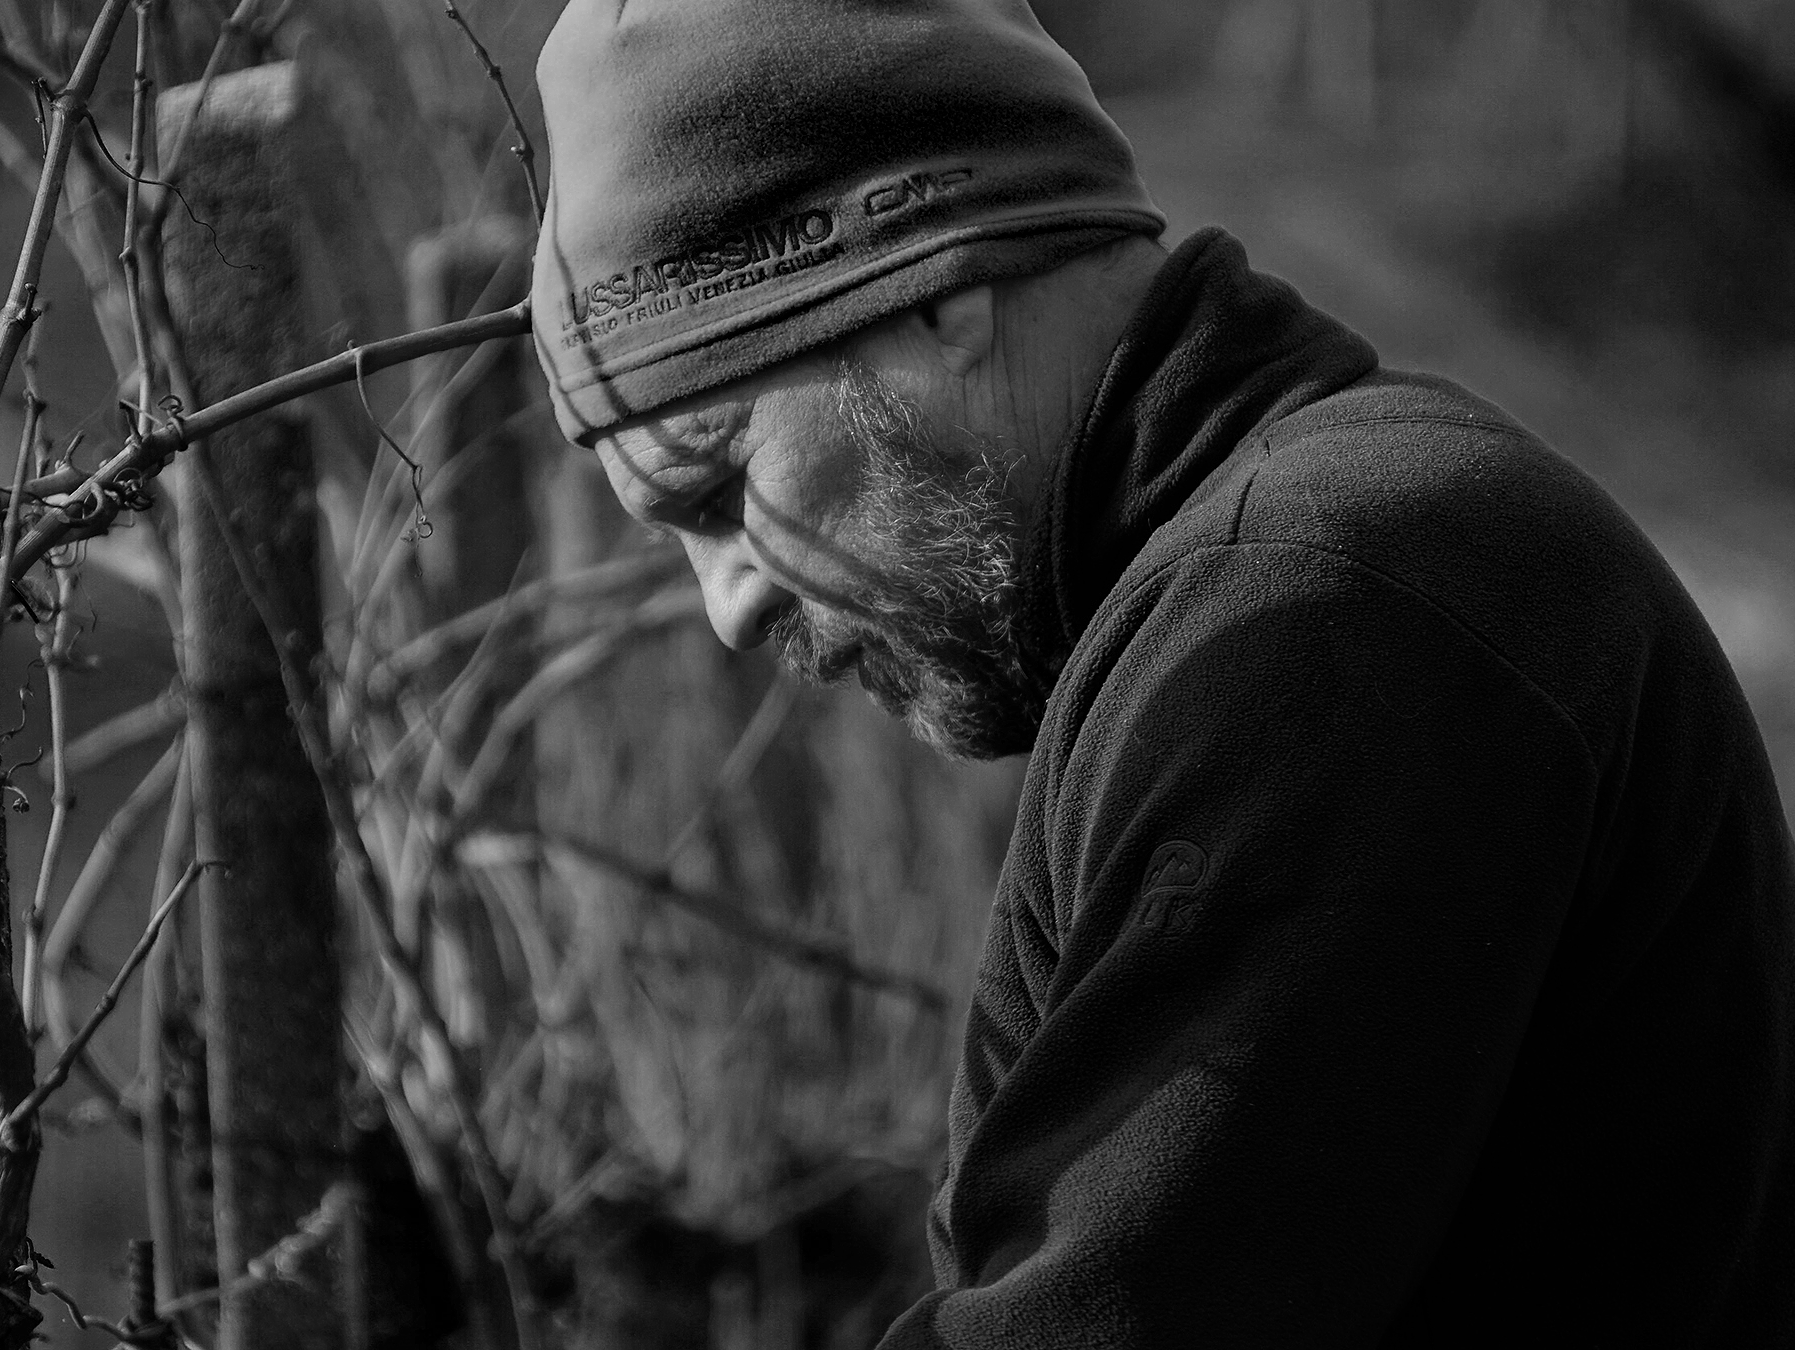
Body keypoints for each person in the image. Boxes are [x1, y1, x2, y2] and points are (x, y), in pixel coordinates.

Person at [525, 1, 1795, 1344]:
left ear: (934, 282)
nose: (728, 605)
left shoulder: (1329, 609)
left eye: (724, 485)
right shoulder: (1255, 603)